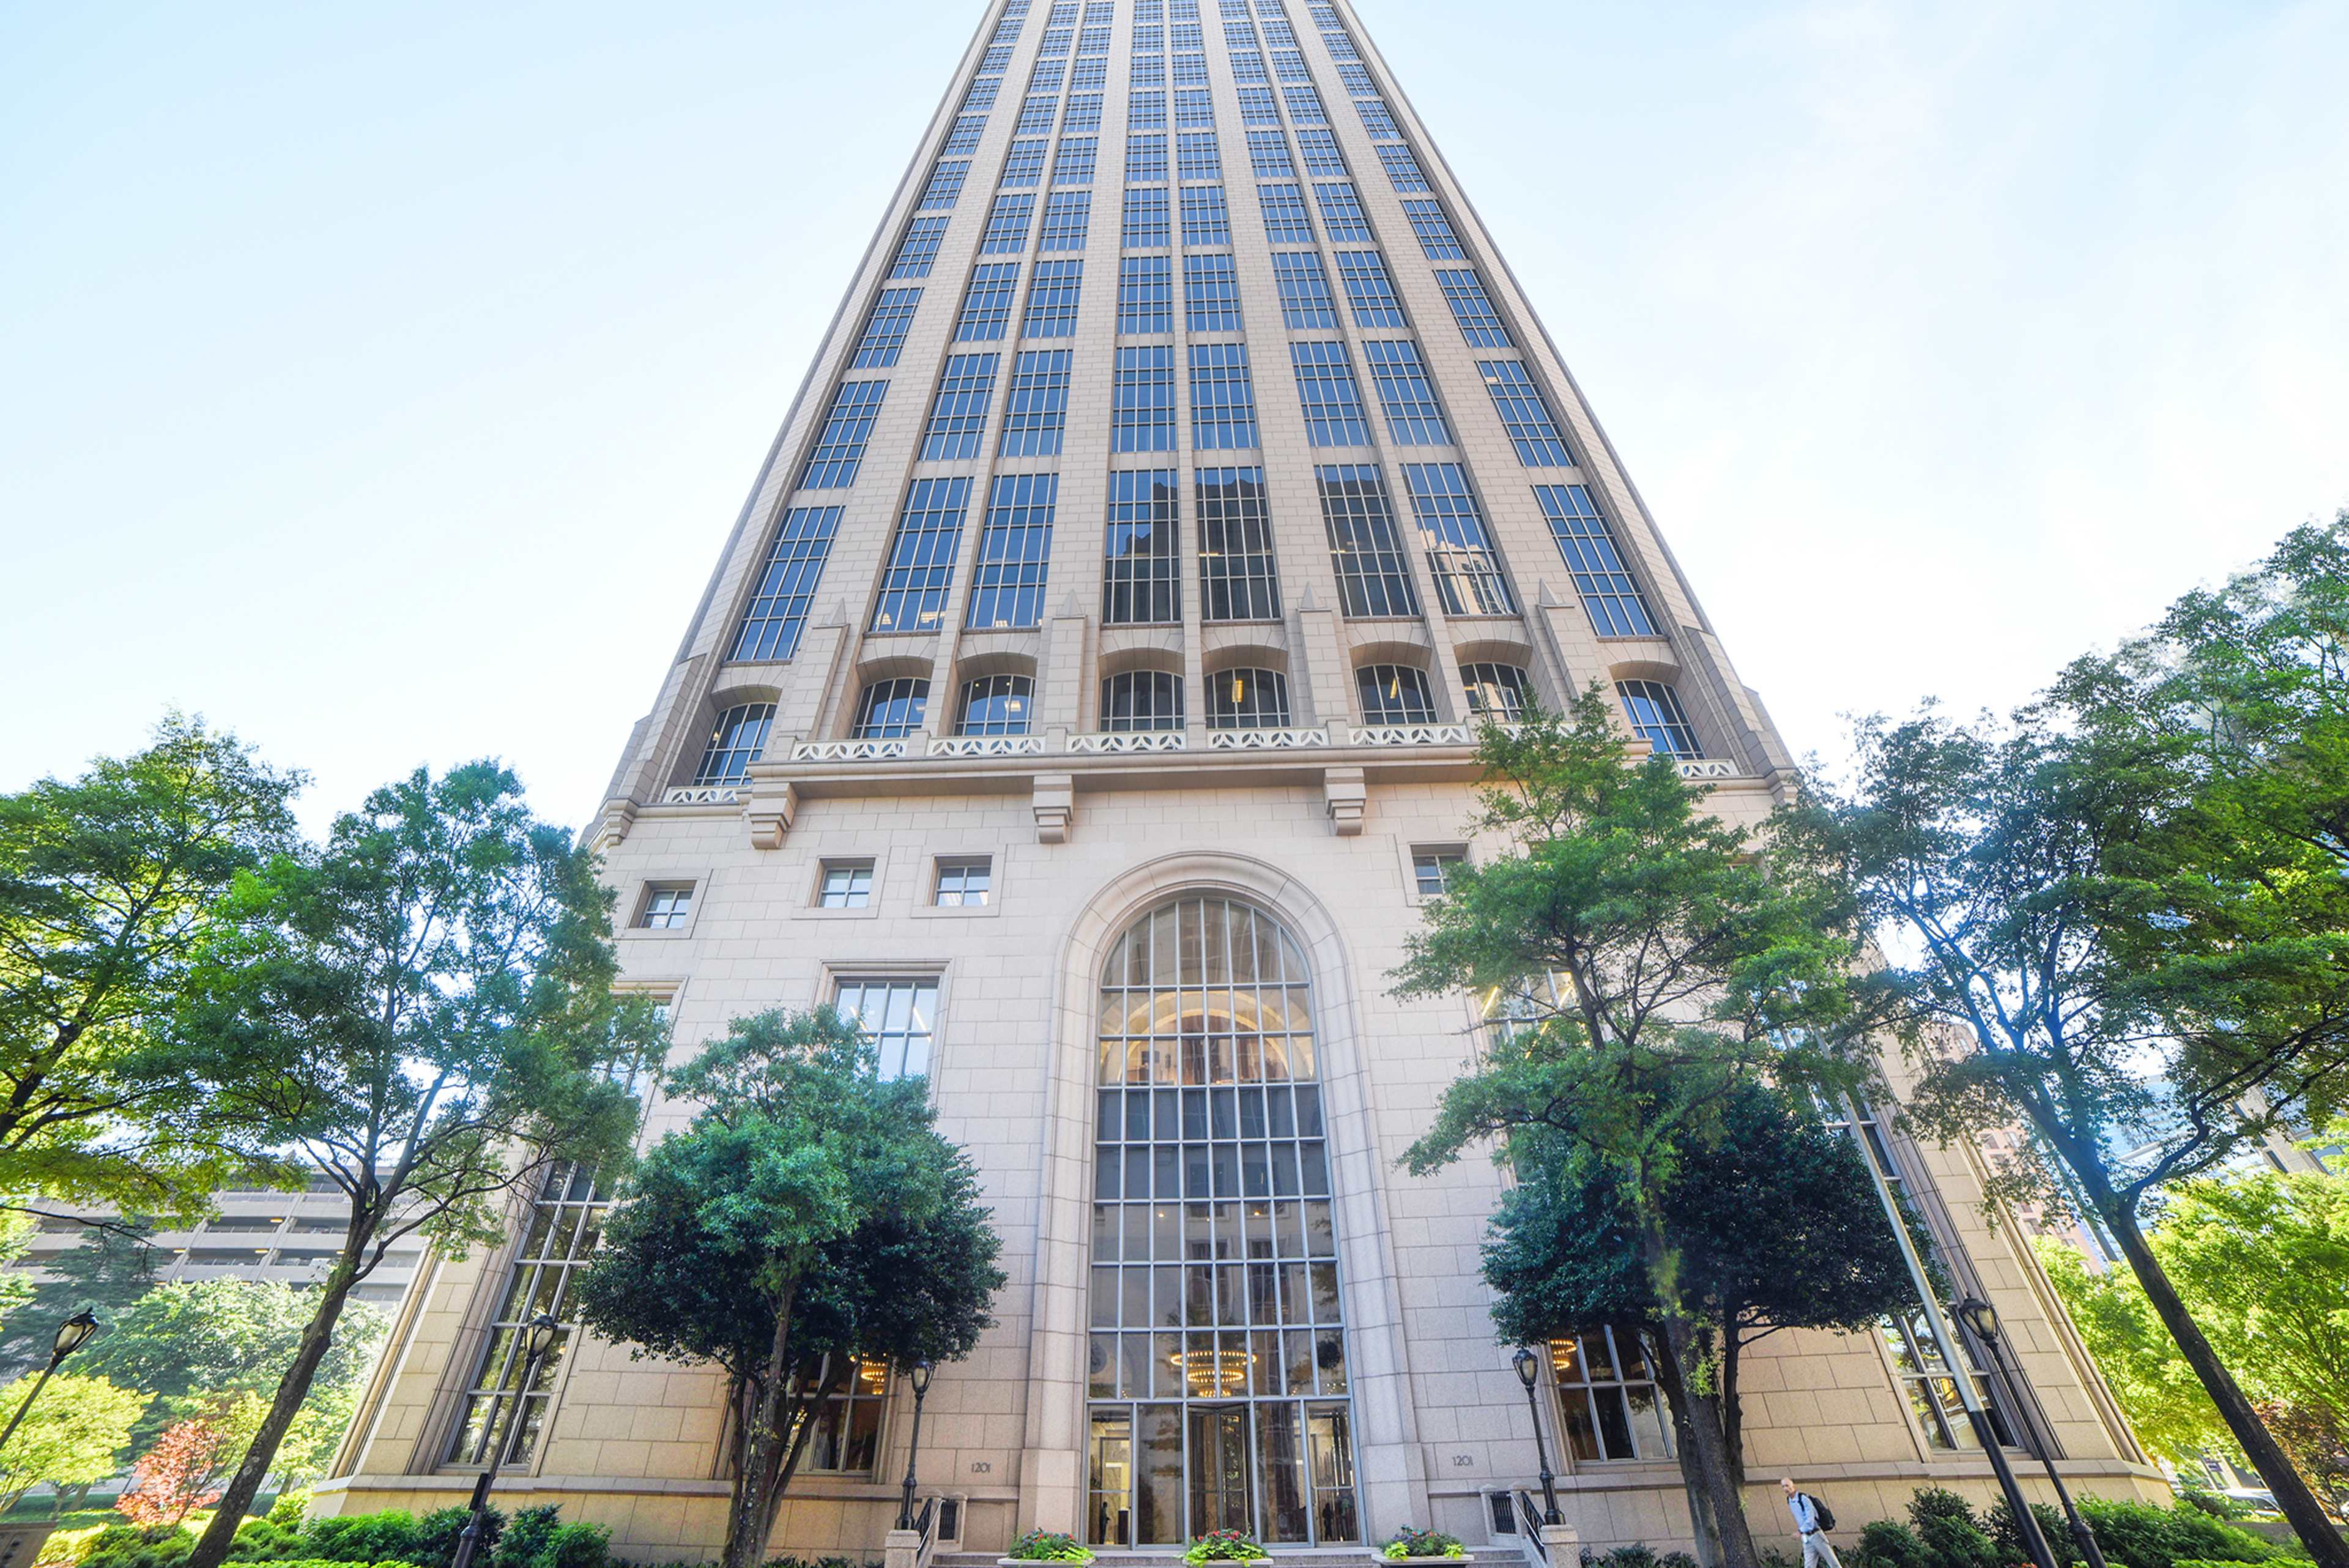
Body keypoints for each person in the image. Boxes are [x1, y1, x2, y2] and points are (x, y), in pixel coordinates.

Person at [1782, 1477, 1841, 1568]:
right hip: (1807, 1538)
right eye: (1783, 1486)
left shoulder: (1803, 1499)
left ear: (1793, 1485)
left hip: (1816, 1534)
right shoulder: (1790, 1501)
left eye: (1787, 1485)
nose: (1786, 1488)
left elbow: (1811, 1520)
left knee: (1832, 1562)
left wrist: (1800, 1531)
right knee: (1809, 1565)